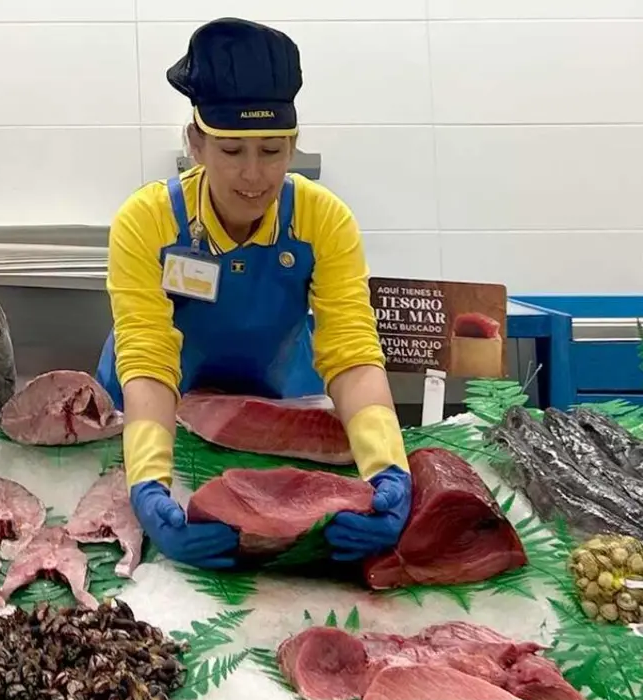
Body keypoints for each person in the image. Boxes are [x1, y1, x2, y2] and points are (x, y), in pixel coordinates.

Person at [96, 18, 412, 571]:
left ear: (293, 145)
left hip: (273, 397)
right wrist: (148, 484)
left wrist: (389, 467)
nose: (253, 174)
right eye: (231, 149)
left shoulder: (323, 220)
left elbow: (351, 352)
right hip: (151, 403)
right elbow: (147, 355)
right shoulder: (146, 222)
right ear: (195, 143)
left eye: (271, 150)